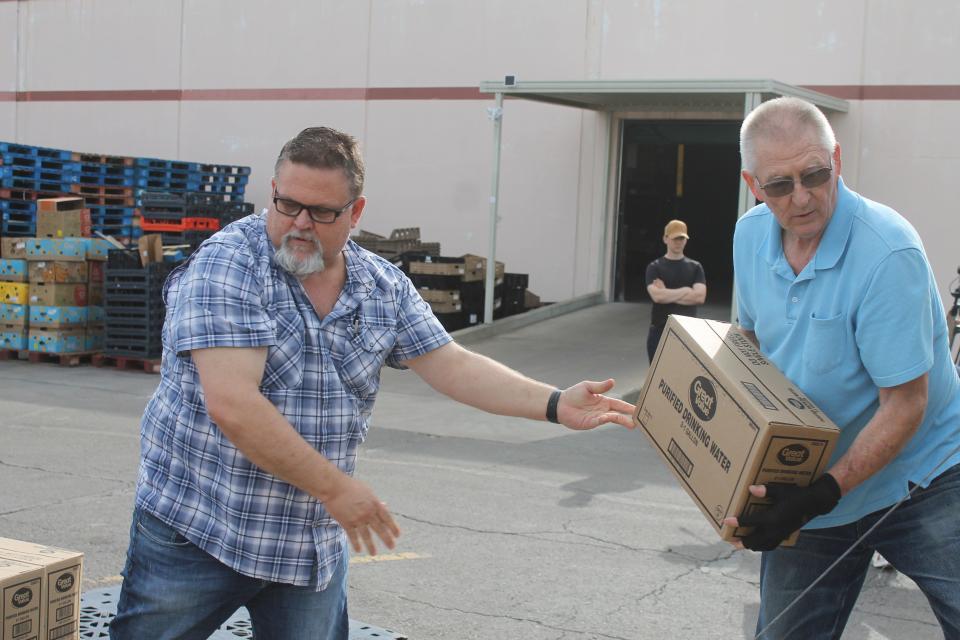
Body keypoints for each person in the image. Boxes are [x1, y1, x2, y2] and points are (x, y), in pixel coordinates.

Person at [109, 127, 637, 640]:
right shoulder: (229, 265)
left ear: (356, 212)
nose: (299, 224)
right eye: (287, 204)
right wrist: (337, 488)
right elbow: (233, 405)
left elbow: (450, 363)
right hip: (198, 527)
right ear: (272, 193)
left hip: (305, 543)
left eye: (321, 212)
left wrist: (554, 403)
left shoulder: (379, 286)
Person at [724, 97, 960, 638]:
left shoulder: (886, 253)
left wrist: (821, 493)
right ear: (753, 184)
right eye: (779, 185)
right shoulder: (749, 235)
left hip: (926, 476)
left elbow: (906, 404)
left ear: (837, 159)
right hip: (815, 481)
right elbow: (750, 343)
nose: (802, 198)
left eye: (815, 174)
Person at [644, 219, 707, 361]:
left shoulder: (695, 267)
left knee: (683, 379)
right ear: (665, 239)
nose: (679, 242)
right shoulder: (655, 267)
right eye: (675, 238)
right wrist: (686, 290)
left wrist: (667, 292)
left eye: (682, 238)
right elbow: (658, 297)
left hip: (687, 331)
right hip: (660, 330)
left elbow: (699, 297)